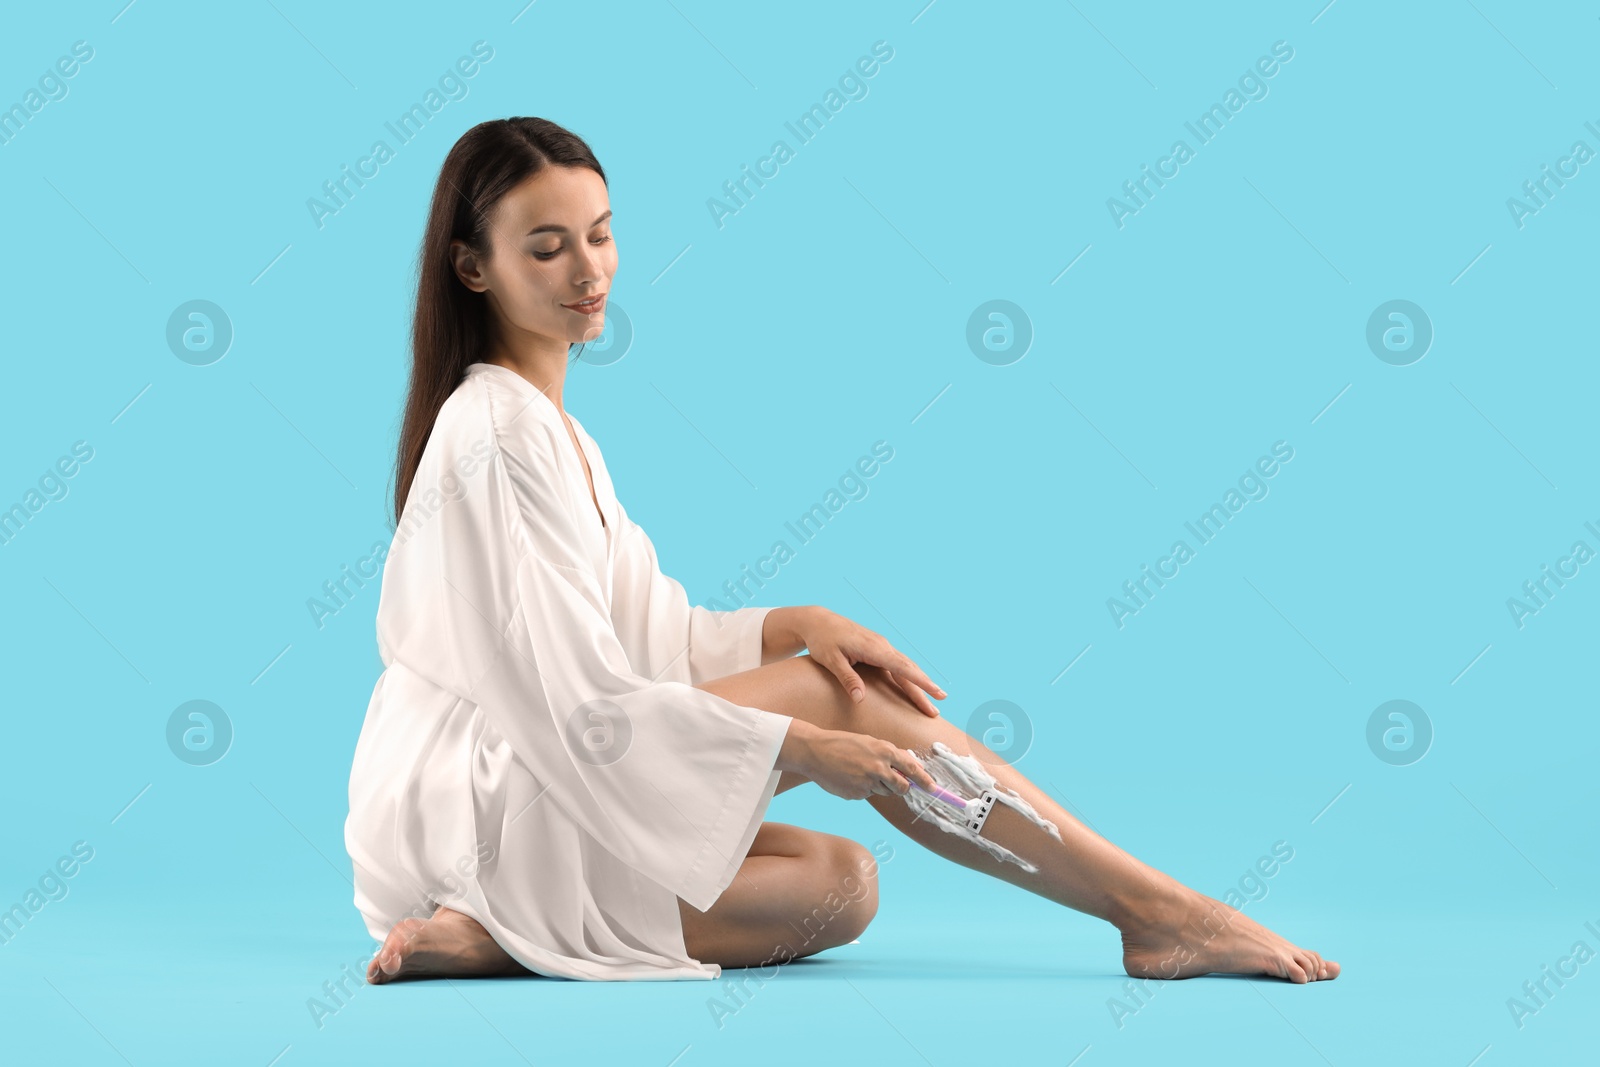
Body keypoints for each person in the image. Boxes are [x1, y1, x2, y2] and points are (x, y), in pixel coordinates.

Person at [344, 116, 1340, 986]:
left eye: (602, 236)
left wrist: (792, 623)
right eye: (548, 248)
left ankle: (504, 931)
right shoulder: (494, 430)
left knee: (839, 887)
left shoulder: (551, 429)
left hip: (511, 800)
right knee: (836, 695)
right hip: (482, 795)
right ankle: (1158, 912)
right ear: (473, 266)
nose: (590, 270)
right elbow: (580, 708)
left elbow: (649, 634)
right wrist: (802, 743)